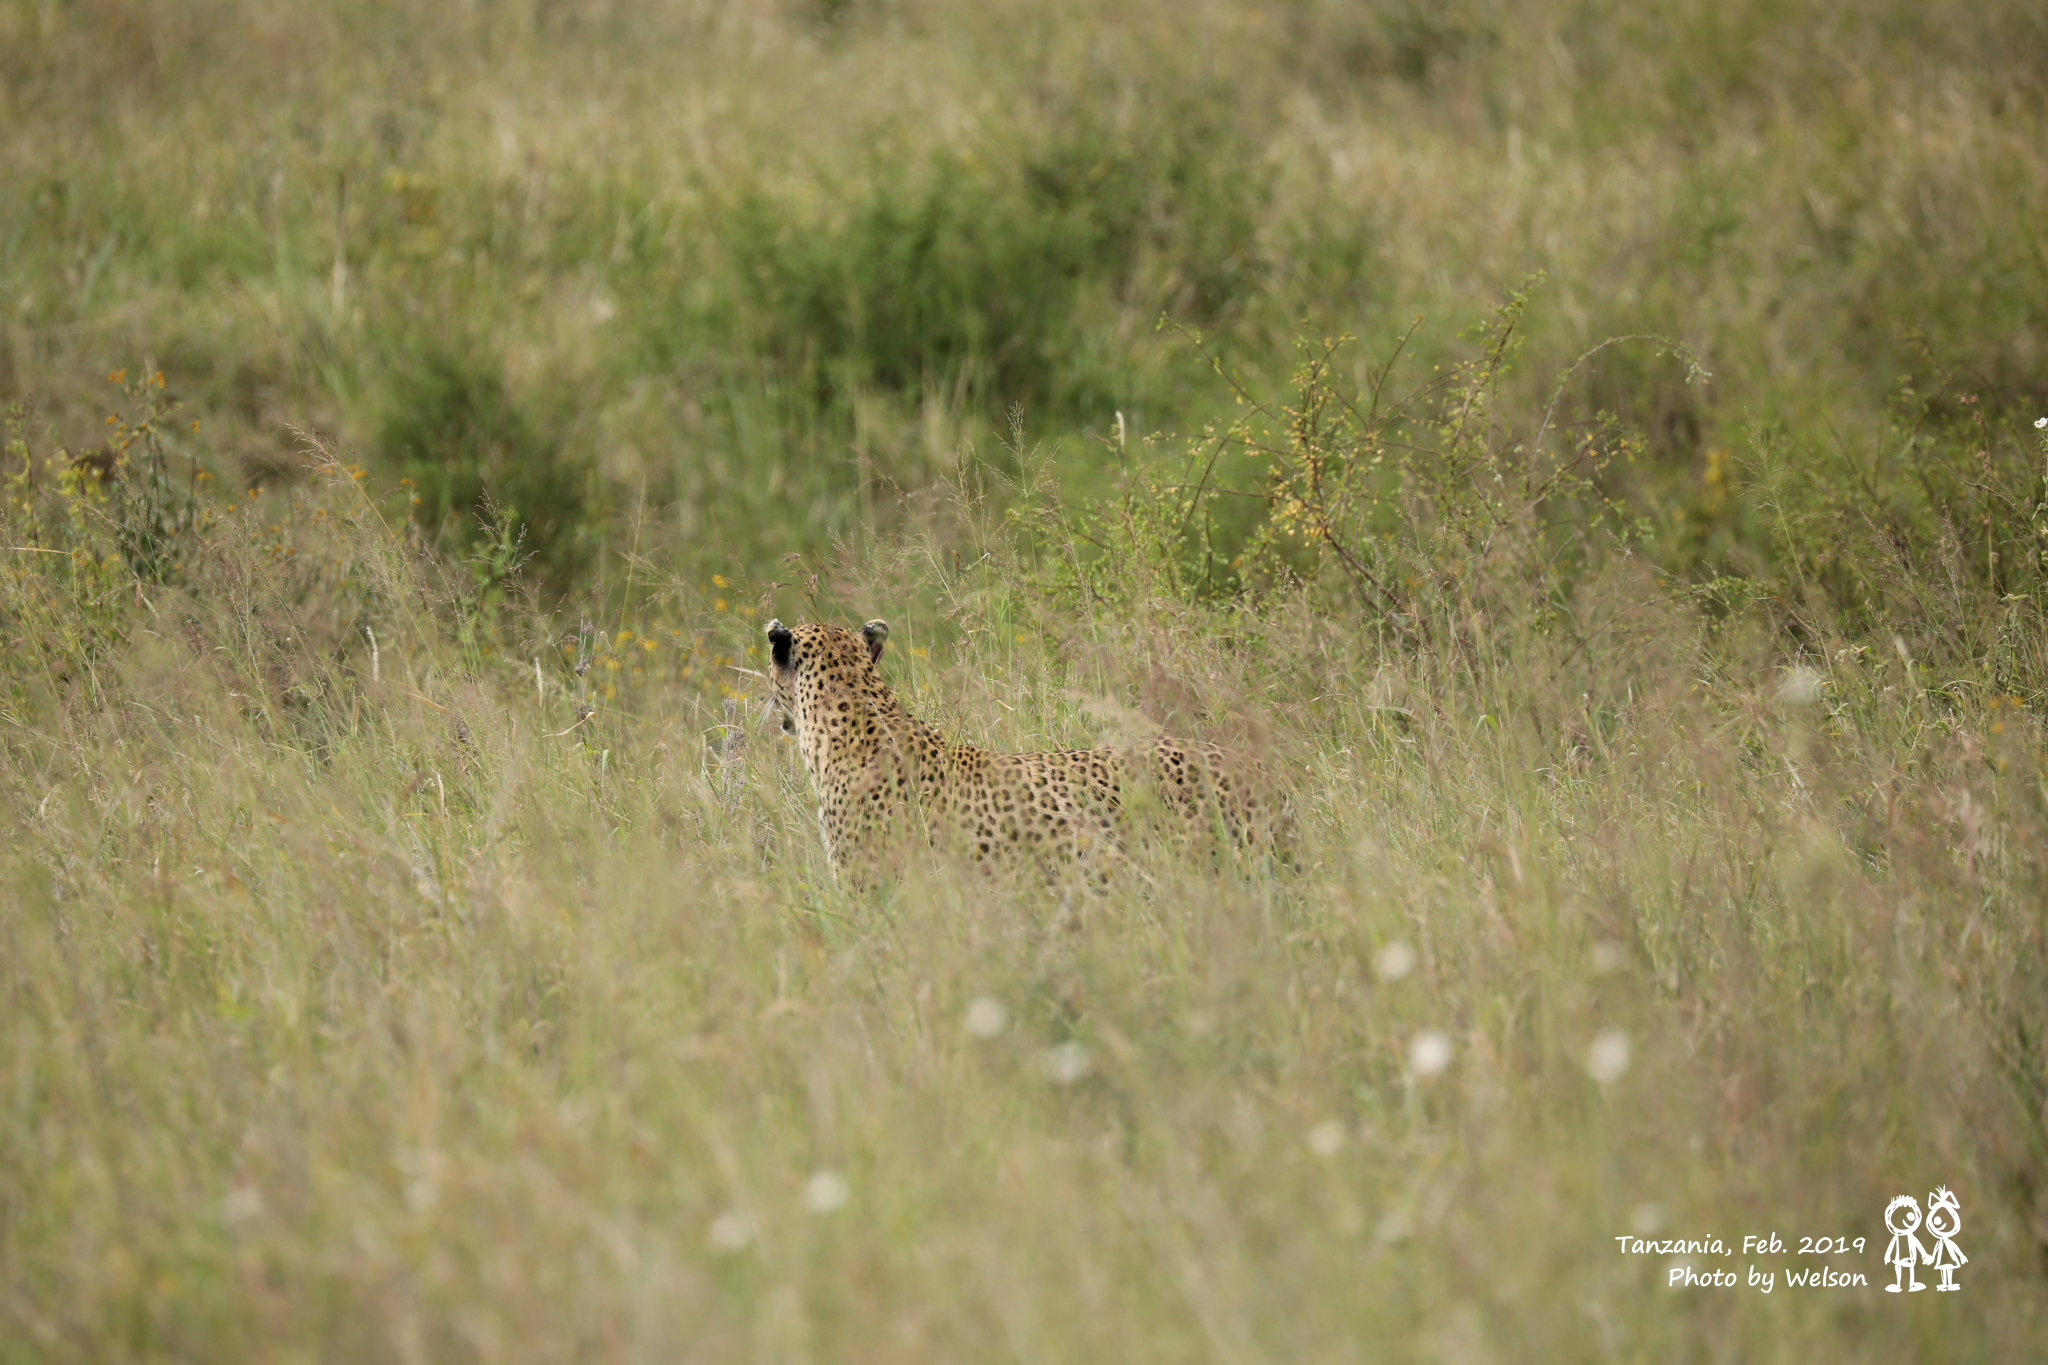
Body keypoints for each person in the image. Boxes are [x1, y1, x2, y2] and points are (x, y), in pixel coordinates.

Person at [1882, 1195, 1928, 1293]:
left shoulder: (1910, 1236)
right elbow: (1891, 1246)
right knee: (1898, 1268)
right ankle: (1898, 1284)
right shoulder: (1896, 1237)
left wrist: (1924, 1255)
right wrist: (1887, 1255)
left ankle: (1911, 1284)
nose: (1903, 1221)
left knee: (1910, 1268)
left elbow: (1918, 1245)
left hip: (1909, 1256)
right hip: (1898, 1257)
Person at [1924, 1187, 1966, 1292]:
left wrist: (1961, 1256)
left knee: (1949, 1269)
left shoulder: (1947, 1241)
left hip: (1949, 1257)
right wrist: (1932, 1257)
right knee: (1943, 1270)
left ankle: (1949, 1283)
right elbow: (1936, 1250)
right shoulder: (1940, 1242)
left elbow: (1954, 1248)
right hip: (1941, 1258)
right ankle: (1945, 1284)